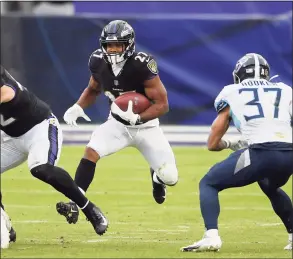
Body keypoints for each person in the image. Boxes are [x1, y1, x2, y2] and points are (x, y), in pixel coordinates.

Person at [56, 20, 178, 224]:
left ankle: (157, 178)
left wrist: (139, 117)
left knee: (171, 177)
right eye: (108, 45)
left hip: (147, 127)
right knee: (91, 150)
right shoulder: (97, 60)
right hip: (118, 124)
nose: (112, 50)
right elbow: (93, 89)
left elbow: (163, 104)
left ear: (128, 45)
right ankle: (75, 203)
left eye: (117, 45)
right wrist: (78, 106)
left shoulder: (141, 63)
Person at [181, 53, 293, 252]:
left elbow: (214, 139)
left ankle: (211, 236)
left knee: (209, 182)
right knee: (269, 184)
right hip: (289, 152)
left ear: (239, 74)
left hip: (262, 151)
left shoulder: (232, 91)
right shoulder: (285, 90)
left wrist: (225, 143)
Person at [0, 65, 108, 248]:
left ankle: (90, 209)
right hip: (11, 138)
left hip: (39, 128)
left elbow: (7, 93)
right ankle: (5, 224)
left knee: (41, 168)